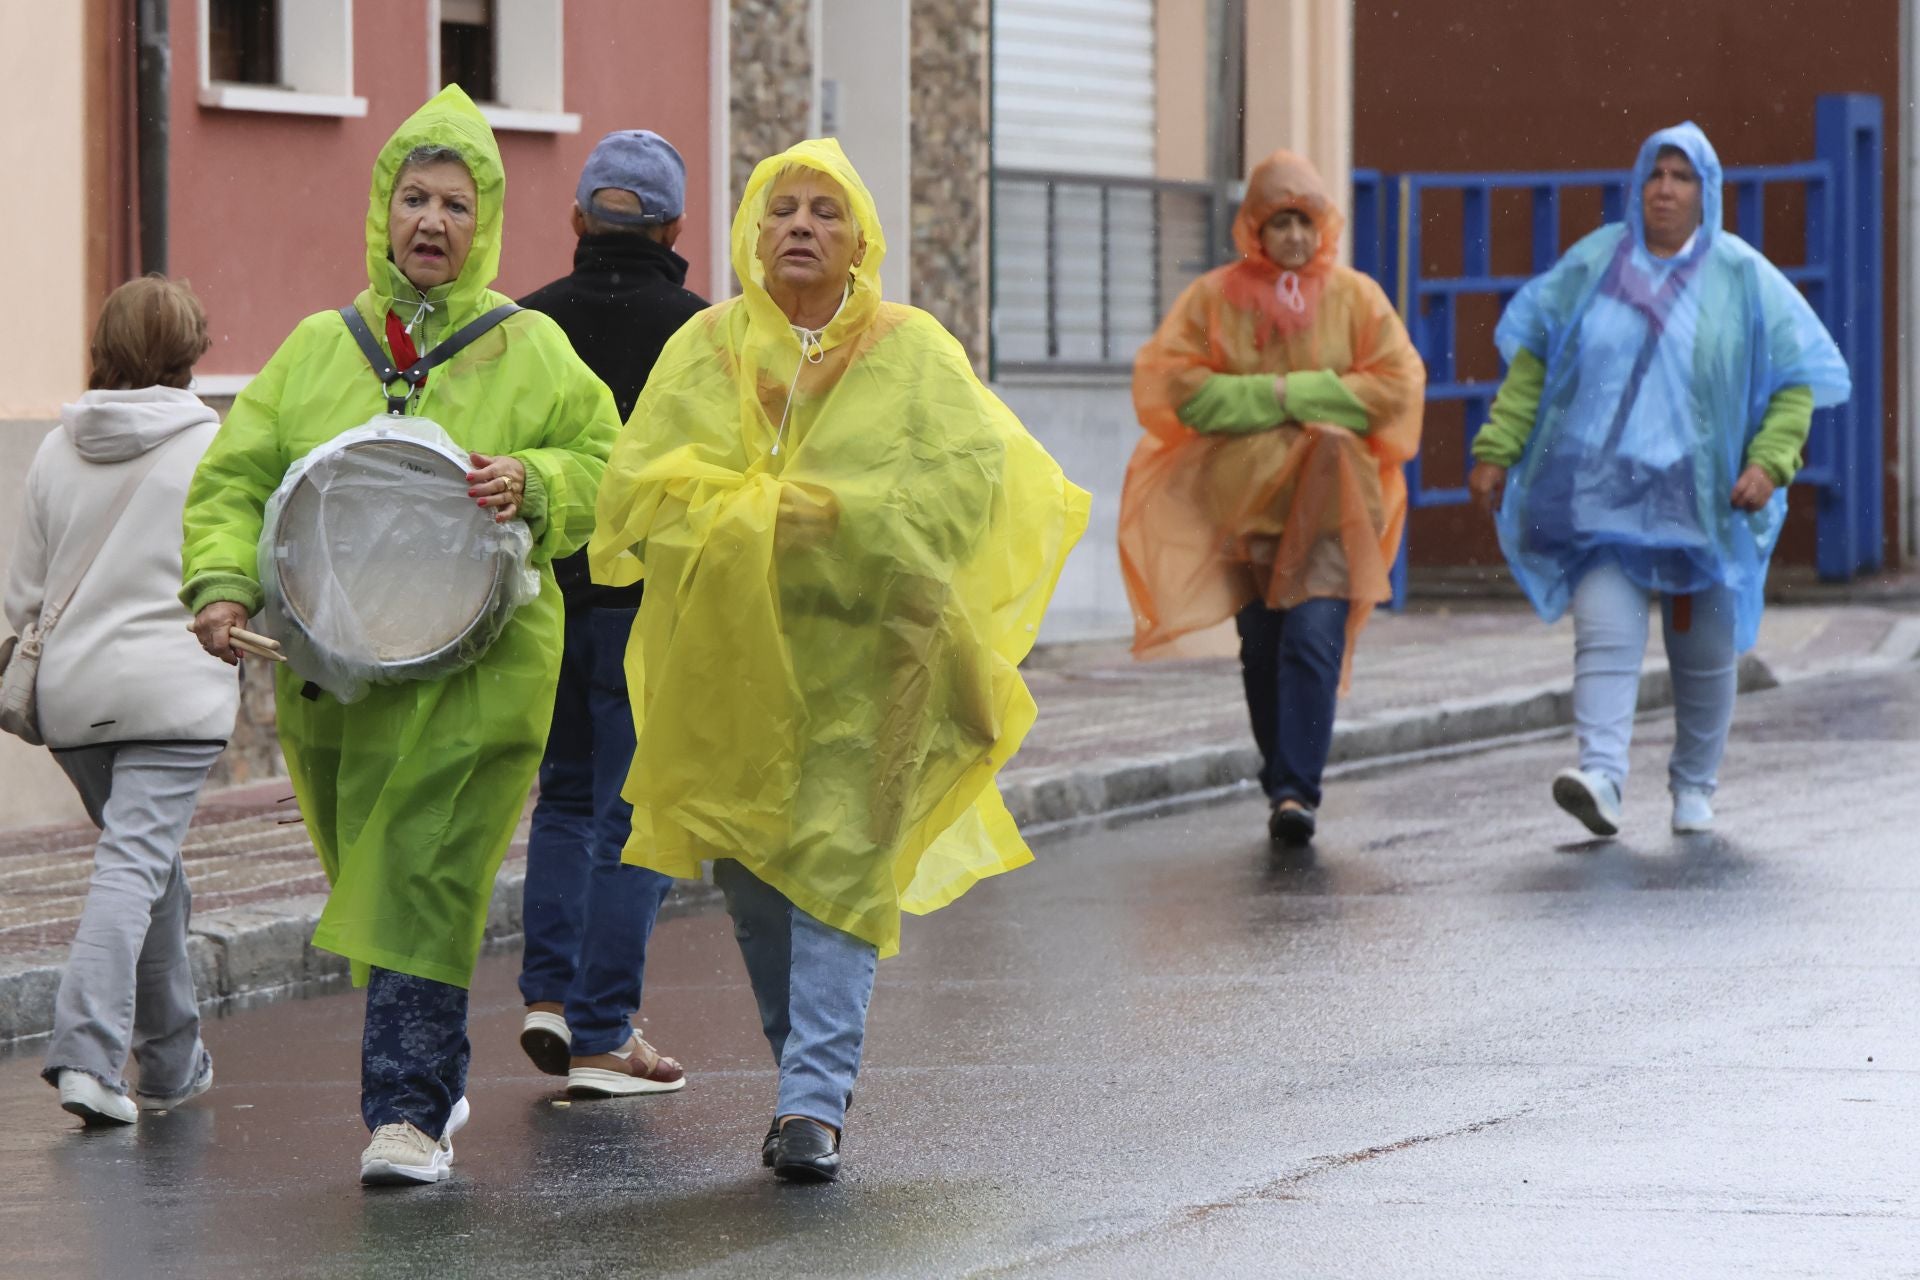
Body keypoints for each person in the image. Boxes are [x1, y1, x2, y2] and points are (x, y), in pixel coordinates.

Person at [589, 138, 1088, 1183]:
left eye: (826, 209)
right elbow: (641, 489)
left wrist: (845, 526)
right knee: (758, 880)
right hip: (730, 674)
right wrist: (765, 521)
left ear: (863, 238)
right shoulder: (710, 349)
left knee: (839, 869)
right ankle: (802, 1072)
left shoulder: (913, 351)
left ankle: (814, 1101)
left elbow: (966, 489)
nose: (802, 226)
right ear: (749, 233)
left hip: (871, 663)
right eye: (782, 209)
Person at [180, 86, 618, 1185]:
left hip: (488, 672)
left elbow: (614, 465)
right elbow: (234, 475)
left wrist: (540, 482)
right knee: (379, 876)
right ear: (383, 211)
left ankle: (407, 1114)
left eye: (456, 206)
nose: (431, 221)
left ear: (488, 225)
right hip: (345, 677)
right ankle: (430, 1072)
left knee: (421, 868)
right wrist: (224, 584)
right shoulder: (317, 349)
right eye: (414, 198)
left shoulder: (535, 350)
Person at [1467, 123, 1849, 837]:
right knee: (1604, 635)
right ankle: (1602, 777)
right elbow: (1534, 364)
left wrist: (1769, 463)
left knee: (1702, 654)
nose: (1666, 189)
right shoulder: (1593, 267)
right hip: (1600, 491)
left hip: (1697, 499)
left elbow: (1797, 382)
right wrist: (1498, 446)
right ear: (1636, 185)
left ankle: (1694, 785)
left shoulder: (1741, 278)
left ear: (1707, 193)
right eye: (1655, 174)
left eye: (1681, 176)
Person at [1120, 150, 1425, 847]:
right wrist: (1289, 396)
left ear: (1325, 227)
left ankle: (1296, 790)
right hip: (1242, 513)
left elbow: (1395, 387)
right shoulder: (1213, 299)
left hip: (1331, 512)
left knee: (1313, 638)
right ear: (1254, 227)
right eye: (1279, 222)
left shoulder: (1357, 299)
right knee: (1261, 646)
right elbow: (1178, 388)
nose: (1293, 237)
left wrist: (1285, 394)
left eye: (1305, 221)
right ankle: (1280, 775)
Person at [5, 276, 239, 1127]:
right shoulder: (214, 445)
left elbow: (20, 597)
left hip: (72, 705)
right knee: (134, 867)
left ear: (102, 347)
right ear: (190, 353)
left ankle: (174, 1062)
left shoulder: (57, 451)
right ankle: (87, 1056)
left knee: (148, 870)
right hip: (174, 696)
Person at [513, 130, 707, 1098]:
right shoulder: (703, 331)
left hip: (550, 596)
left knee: (566, 793)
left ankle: (549, 993)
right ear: (676, 227)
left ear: (580, 220)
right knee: (635, 813)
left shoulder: (528, 324)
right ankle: (603, 1028)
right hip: (652, 603)